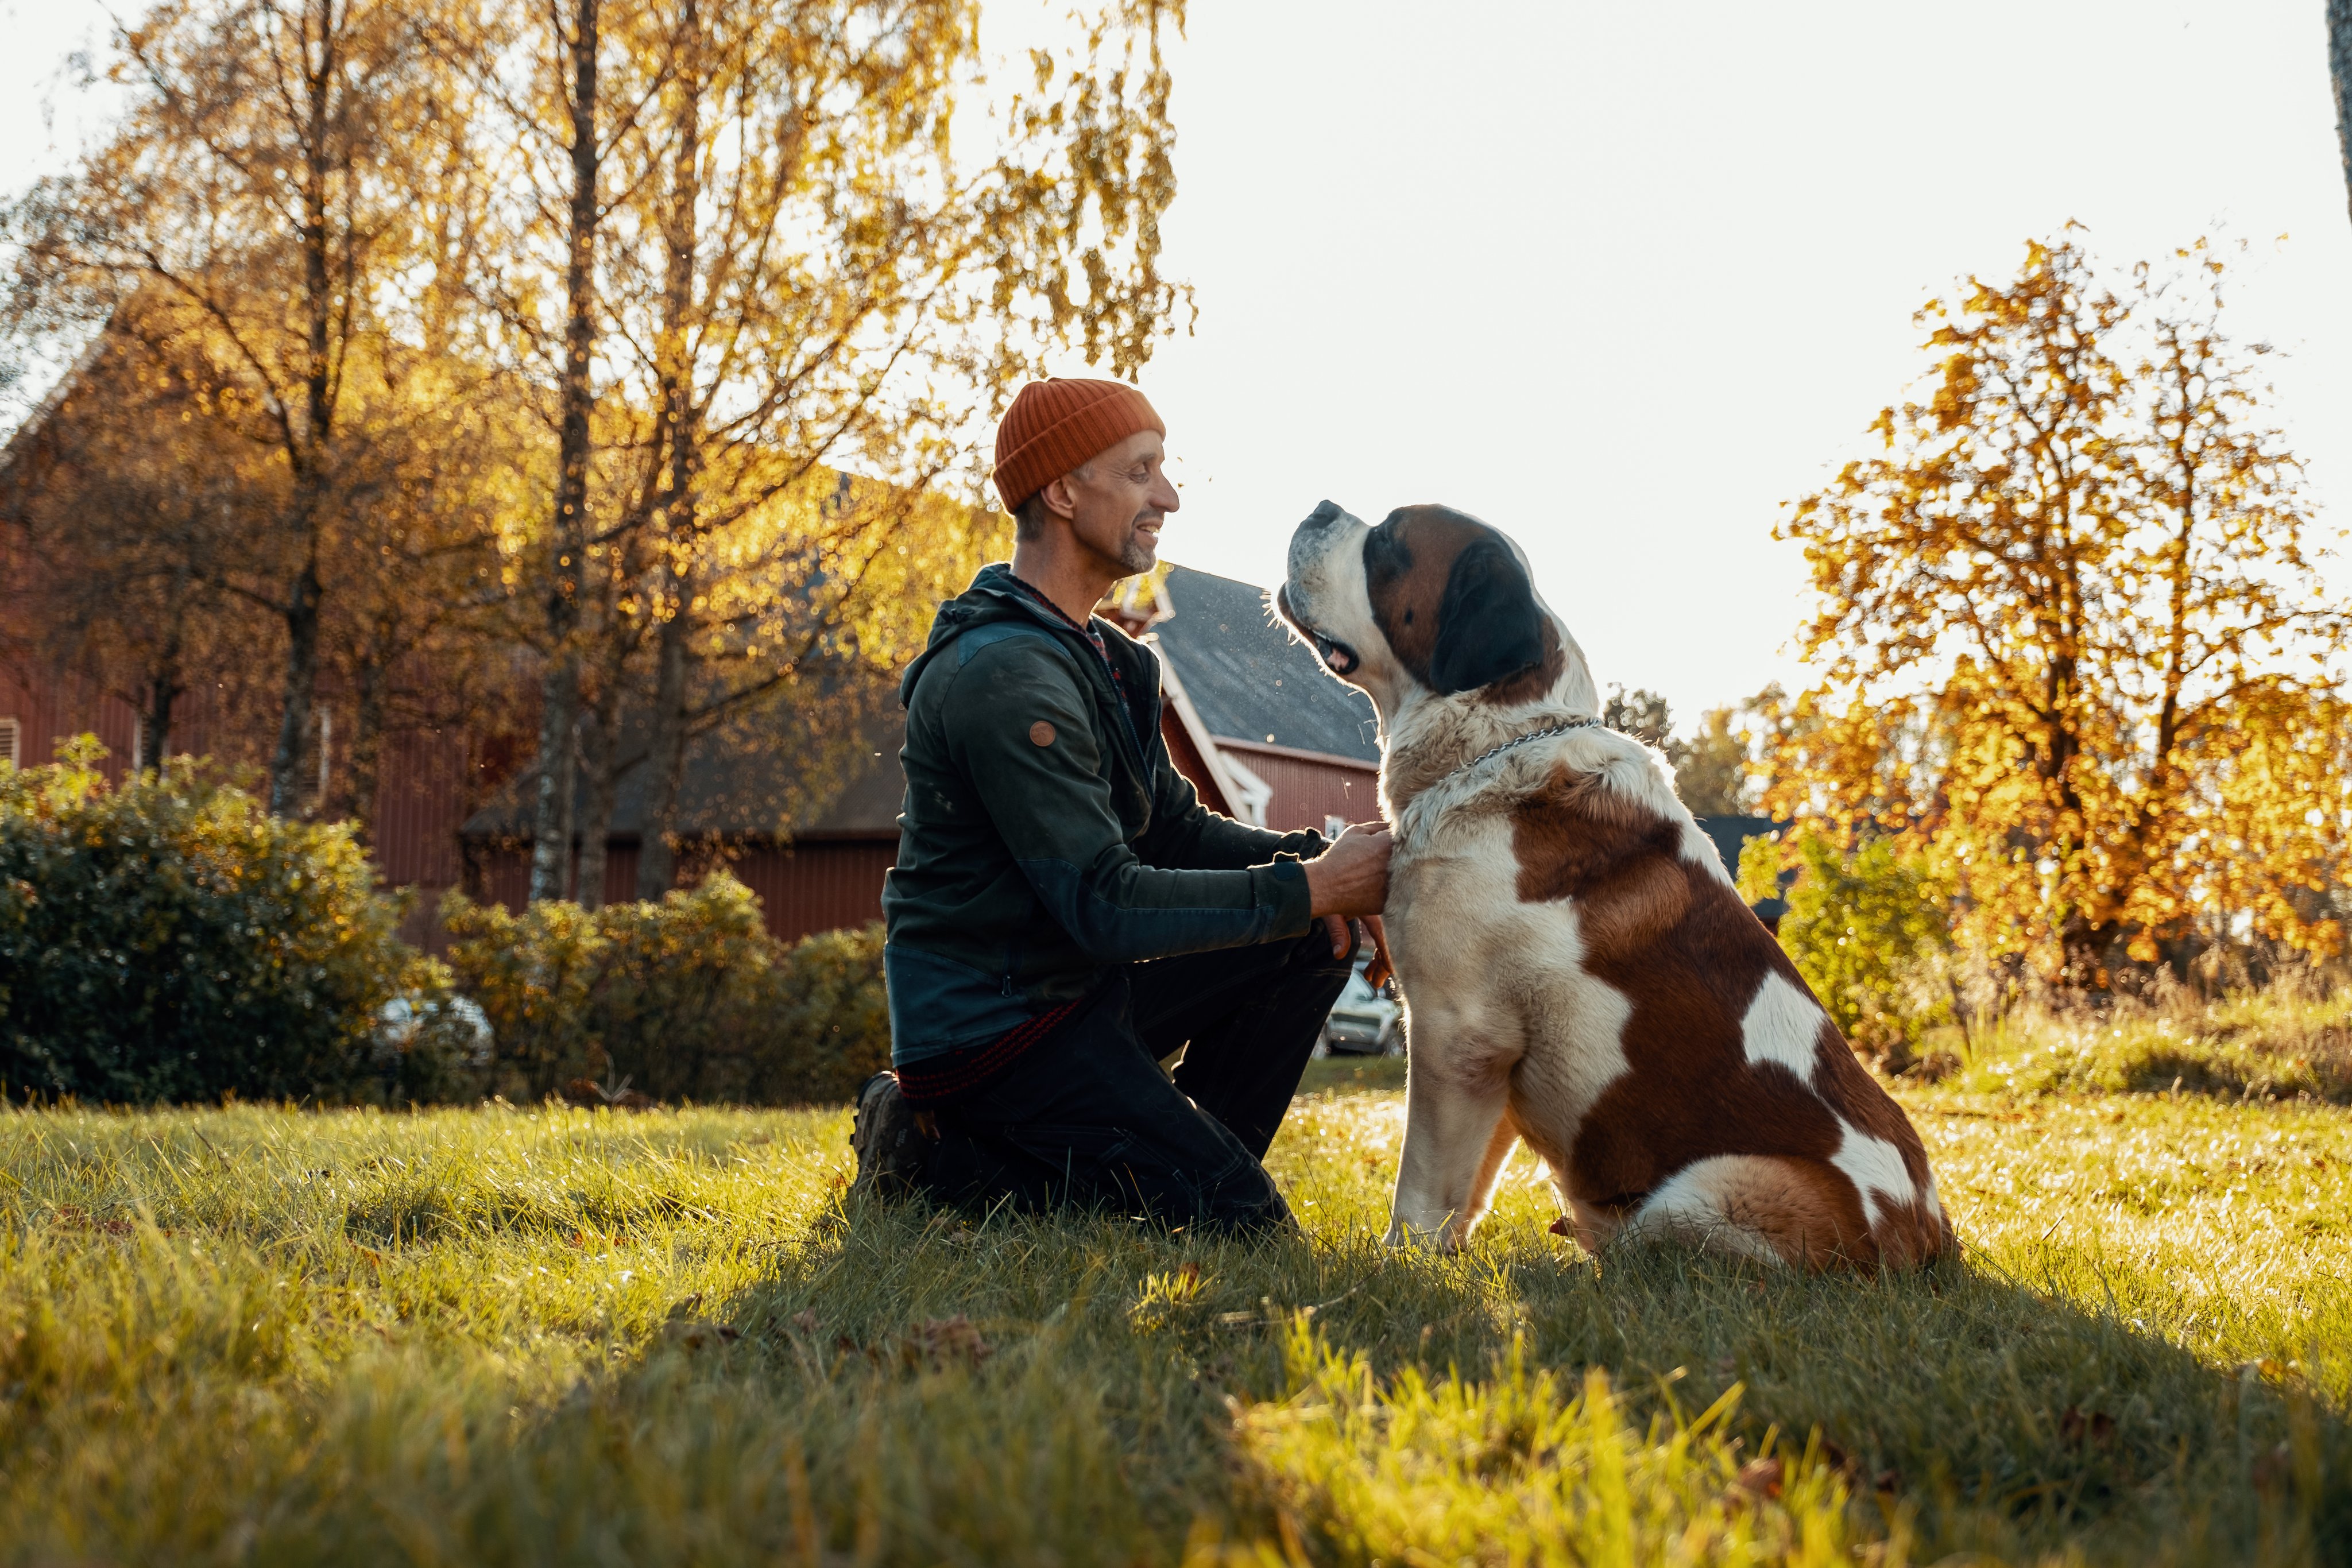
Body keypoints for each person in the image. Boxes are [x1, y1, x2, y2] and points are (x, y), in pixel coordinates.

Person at [853, 377, 1394, 1231]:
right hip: (993, 1034)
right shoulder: (1002, 676)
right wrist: (1319, 886)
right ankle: (935, 1153)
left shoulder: (1113, 660)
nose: (1169, 498)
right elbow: (1105, 903)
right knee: (1245, 1224)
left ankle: (1186, 1170)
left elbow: (1173, 831)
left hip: (1077, 996)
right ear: (1064, 491)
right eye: (1142, 472)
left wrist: (1328, 871)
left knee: (1307, 941)